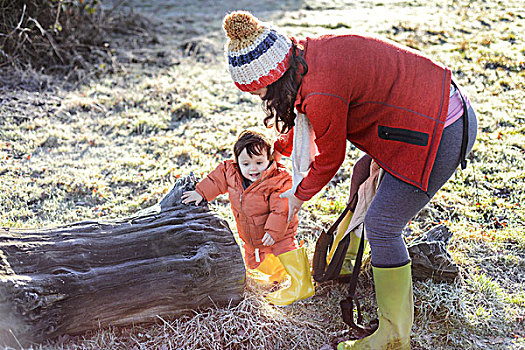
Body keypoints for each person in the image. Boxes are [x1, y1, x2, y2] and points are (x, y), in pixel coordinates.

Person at [222, 11, 477, 349]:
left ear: (272, 78)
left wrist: (297, 197)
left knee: (383, 225)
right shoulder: (303, 58)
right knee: (362, 177)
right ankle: (344, 262)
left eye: (258, 91)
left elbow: (329, 158)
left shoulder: (321, 91)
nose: (258, 98)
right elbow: (307, 122)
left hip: (439, 130)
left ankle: (393, 335)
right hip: (429, 109)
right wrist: (275, 154)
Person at [181, 130, 314, 306]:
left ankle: (302, 284)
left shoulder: (278, 180)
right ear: (237, 163)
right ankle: (279, 274)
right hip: (251, 234)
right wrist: (201, 193)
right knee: (255, 262)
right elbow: (216, 180)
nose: (253, 169)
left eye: (259, 162)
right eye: (246, 163)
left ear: (270, 160)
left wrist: (274, 231)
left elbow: (281, 208)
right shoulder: (231, 172)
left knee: (284, 247)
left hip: (279, 230)